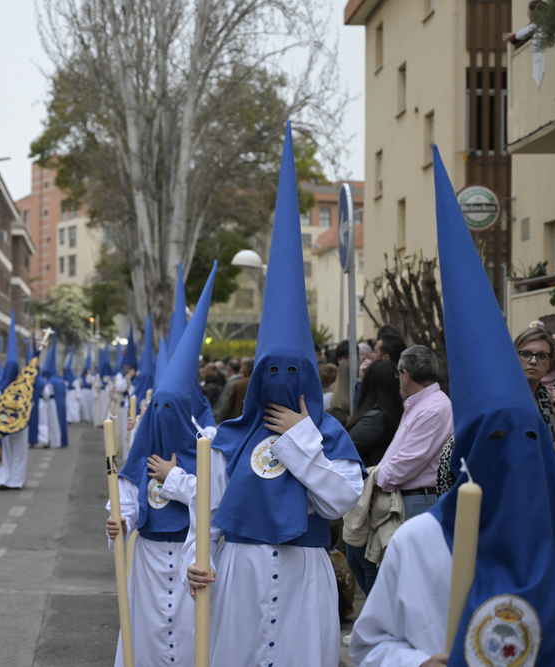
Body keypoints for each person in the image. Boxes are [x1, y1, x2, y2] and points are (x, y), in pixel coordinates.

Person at [350, 145, 555, 667]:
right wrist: (413, 663)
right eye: (495, 440)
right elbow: (369, 646)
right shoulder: (418, 543)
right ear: (468, 452)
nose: (513, 454)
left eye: (529, 439)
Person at [184, 126, 363, 667]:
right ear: (258, 377)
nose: (283, 378)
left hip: (305, 571)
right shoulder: (227, 438)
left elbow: (338, 502)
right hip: (238, 573)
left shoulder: (330, 436)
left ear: (311, 377)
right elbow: (207, 511)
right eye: (273, 370)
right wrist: (199, 559)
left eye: (295, 370)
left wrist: (301, 438)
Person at [108, 263, 218, 667]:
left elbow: (214, 501)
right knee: (149, 639)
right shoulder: (143, 452)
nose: (166, 416)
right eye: (160, 409)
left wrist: (174, 479)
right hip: (150, 562)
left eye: (174, 410)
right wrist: (119, 523)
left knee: (193, 642)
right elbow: (126, 500)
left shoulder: (208, 451)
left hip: (193, 562)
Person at [437, 323, 555, 494]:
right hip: (493, 492)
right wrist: (544, 454)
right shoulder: (498, 397)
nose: (533, 361)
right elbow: (488, 453)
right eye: (526, 354)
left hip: (537, 493)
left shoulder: (551, 401)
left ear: (550, 362)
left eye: (542, 356)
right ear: (513, 357)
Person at [342, 358, 405, 595]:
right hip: (380, 498)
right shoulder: (395, 414)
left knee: (364, 560)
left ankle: (374, 624)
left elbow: (346, 445)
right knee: (369, 561)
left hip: (366, 500)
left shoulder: (375, 419)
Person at [375, 345, 452, 520]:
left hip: (417, 501)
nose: (398, 379)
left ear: (406, 375)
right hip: (412, 499)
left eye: (398, 374)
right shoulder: (423, 405)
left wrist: (375, 482)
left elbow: (409, 460)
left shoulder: (432, 409)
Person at [0, 311, 29, 490]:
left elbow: (28, 404)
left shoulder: (22, 387)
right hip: (5, 423)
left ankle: (17, 480)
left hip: (19, 424)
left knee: (19, 452)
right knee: (5, 452)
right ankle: (4, 479)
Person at [212, 357, 241, 422]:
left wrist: (216, 420)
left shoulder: (231, 384)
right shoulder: (241, 381)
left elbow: (225, 404)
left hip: (228, 420)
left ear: (228, 369)